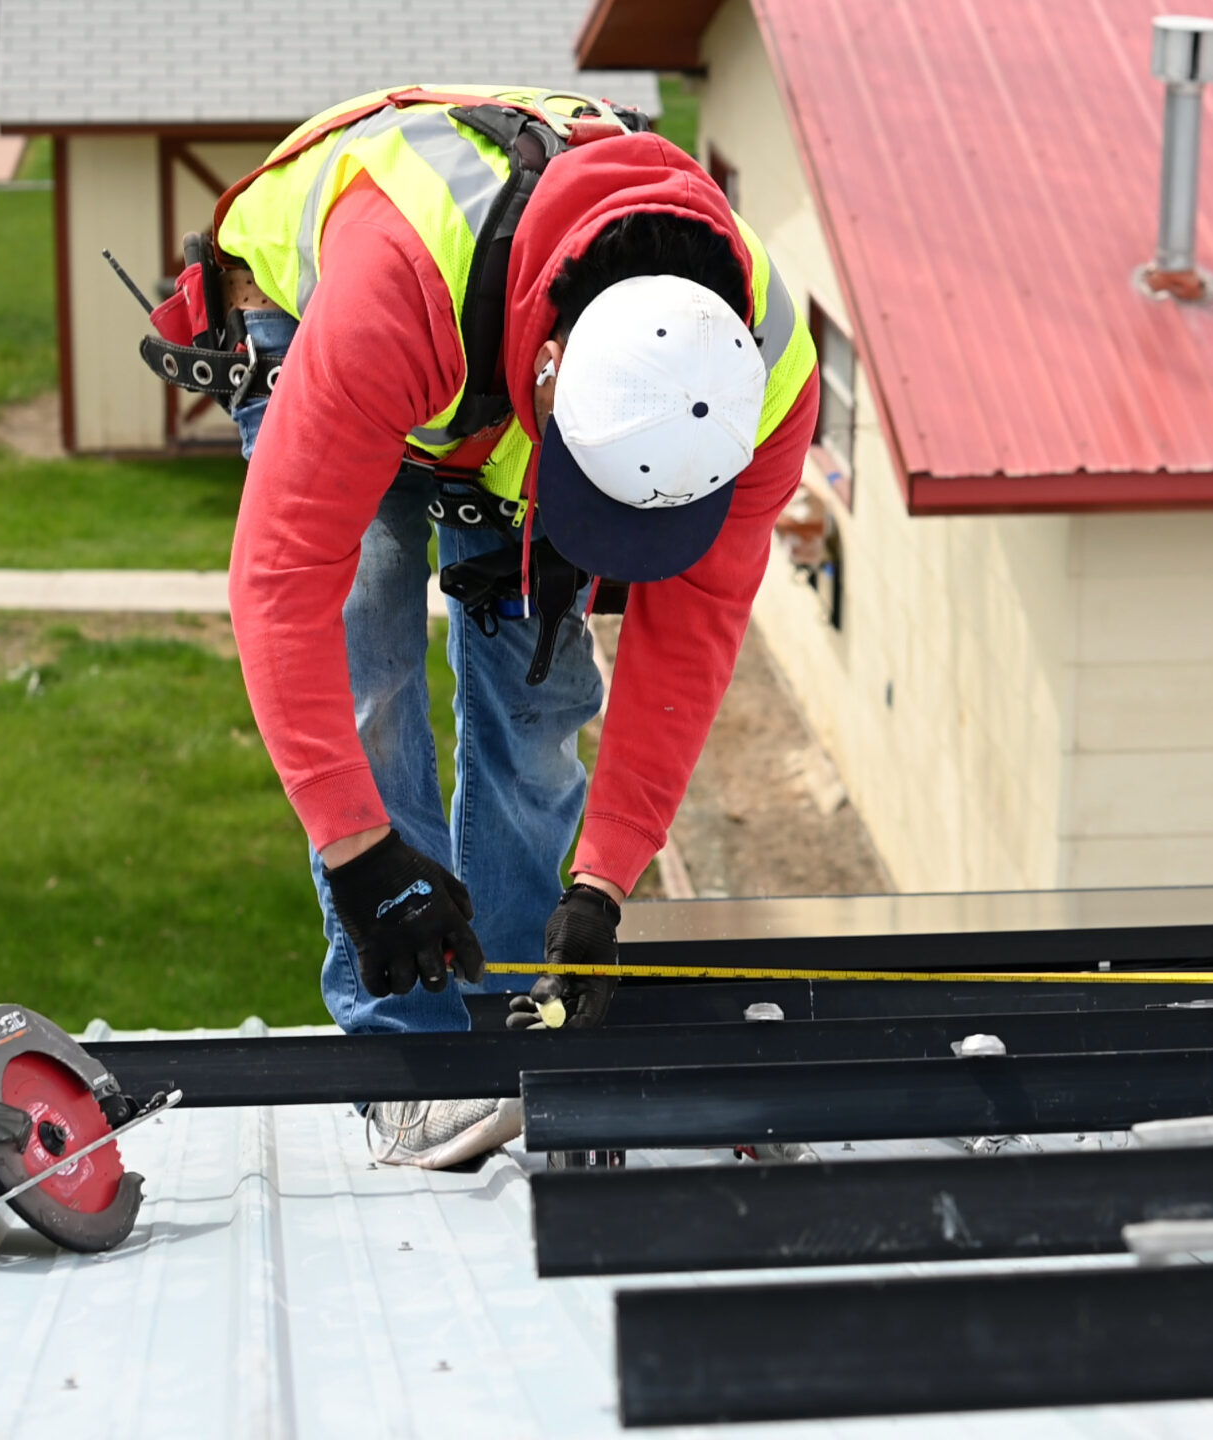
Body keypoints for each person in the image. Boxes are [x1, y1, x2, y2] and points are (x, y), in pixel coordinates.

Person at [187, 86, 818, 1169]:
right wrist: (361, 857)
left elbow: (694, 632)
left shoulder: (759, 381)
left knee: (536, 705)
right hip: (337, 314)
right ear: (547, 378)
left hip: (500, 364)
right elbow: (283, 579)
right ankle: (410, 1056)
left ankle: (533, 1016)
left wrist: (605, 882)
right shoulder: (399, 283)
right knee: (372, 667)